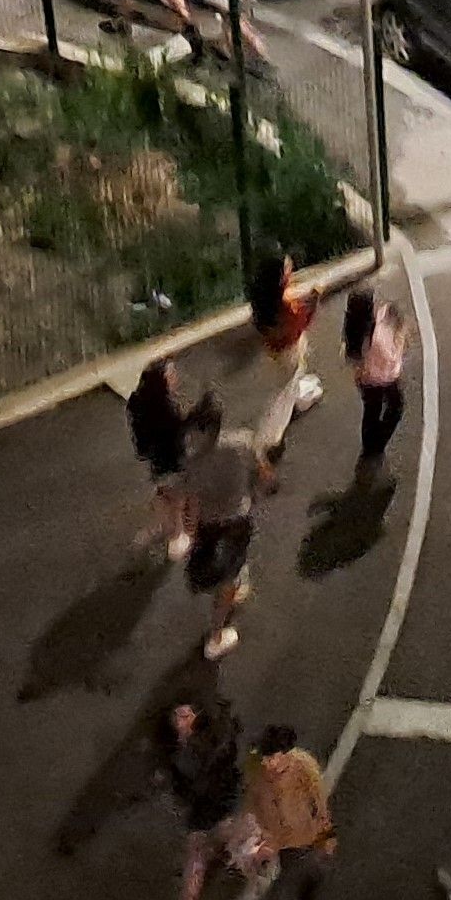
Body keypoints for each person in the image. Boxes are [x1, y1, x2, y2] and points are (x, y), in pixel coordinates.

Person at [240, 725, 336, 900]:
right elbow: (253, 808)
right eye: (264, 758)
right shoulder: (258, 777)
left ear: (285, 754)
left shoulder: (303, 766)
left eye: (272, 757)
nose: (268, 763)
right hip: (286, 848)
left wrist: (326, 835)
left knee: (308, 885)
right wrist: (260, 842)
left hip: (310, 841)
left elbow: (319, 802)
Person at [179, 394, 262, 660]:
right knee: (229, 576)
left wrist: (189, 533)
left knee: (221, 571)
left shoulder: (191, 464)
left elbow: (191, 505)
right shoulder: (242, 443)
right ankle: (216, 635)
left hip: (209, 527)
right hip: (237, 521)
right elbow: (262, 473)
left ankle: (221, 620)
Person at [154, 692, 243, 900]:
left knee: (225, 837)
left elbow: (222, 758)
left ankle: (248, 858)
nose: (181, 718)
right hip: (204, 806)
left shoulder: (204, 744)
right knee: (197, 853)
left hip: (220, 798)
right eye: (178, 715)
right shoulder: (179, 752)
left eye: (186, 714)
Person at [251, 257, 323, 461]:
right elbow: (301, 324)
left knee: (289, 381)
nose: (290, 268)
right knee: (284, 394)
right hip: (290, 351)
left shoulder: (265, 303)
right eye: (287, 269)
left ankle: (300, 398)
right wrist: (315, 300)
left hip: (275, 350)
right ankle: (269, 439)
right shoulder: (288, 308)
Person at [126, 359, 192, 559]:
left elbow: (141, 445)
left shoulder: (137, 403)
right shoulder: (169, 412)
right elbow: (180, 440)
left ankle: (164, 528)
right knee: (177, 502)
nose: (176, 377)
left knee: (165, 496)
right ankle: (175, 536)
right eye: (171, 374)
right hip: (174, 464)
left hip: (157, 464)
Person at [343, 291, 411, 470]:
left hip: (366, 381)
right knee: (395, 407)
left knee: (371, 411)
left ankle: (369, 446)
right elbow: (391, 355)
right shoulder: (377, 337)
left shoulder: (354, 333)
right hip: (384, 379)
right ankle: (377, 445)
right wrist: (399, 336)